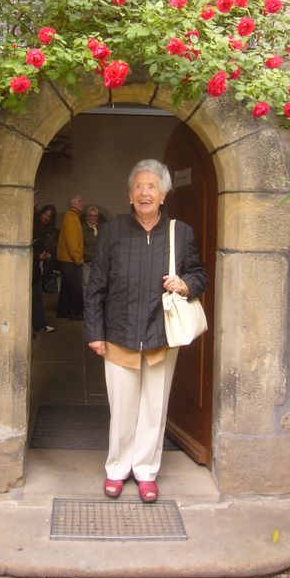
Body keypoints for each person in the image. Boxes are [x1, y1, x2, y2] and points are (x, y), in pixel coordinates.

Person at [84, 160, 208, 503]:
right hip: (118, 333)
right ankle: (117, 469)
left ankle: (146, 471)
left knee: (154, 408)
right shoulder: (112, 232)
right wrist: (94, 332)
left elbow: (199, 274)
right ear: (129, 195)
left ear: (164, 194)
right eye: (138, 186)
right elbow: (96, 286)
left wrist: (184, 284)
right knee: (122, 408)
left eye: (151, 186)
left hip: (160, 335)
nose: (144, 192)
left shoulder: (181, 233)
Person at [56, 193, 84, 320]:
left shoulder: (71, 216)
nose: (82, 203)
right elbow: (71, 241)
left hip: (66, 258)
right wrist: (77, 258)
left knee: (66, 287)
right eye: (80, 201)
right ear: (74, 204)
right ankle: (76, 313)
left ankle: (63, 311)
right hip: (70, 259)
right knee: (75, 288)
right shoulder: (71, 218)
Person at [32, 205, 57, 334]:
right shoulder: (34, 227)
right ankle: (39, 325)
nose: (46, 217)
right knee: (36, 297)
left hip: (37, 266)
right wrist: (38, 255)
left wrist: (46, 255)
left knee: (37, 297)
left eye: (49, 216)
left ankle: (38, 324)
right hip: (32, 266)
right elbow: (29, 247)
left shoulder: (44, 230)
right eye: (45, 214)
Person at [82, 205, 100, 300]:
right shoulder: (82, 229)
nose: (93, 217)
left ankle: (95, 305)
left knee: (97, 285)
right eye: (90, 215)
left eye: (95, 215)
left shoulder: (101, 229)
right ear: (87, 217)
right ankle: (86, 305)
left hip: (98, 263)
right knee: (86, 284)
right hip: (86, 262)